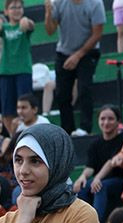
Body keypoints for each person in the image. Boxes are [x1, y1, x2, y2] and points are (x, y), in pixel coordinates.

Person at [44, 0, 105, 136]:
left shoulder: (95, 3)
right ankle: (67, 130)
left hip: (88, 51)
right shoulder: (59, 3)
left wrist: (78, 55)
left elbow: (97, 34)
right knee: (62, 94)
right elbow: (50, 31)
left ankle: (85, 128)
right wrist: (48, 12)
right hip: (64, 52)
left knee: (84, 88)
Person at [73, 106, 123, 223]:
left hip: (121, 180)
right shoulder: (96, 143)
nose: (106, 122)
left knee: (100, 186)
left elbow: (111, 162)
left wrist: (97, 178)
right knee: (82, 187)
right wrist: (82, 177)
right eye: (102, 119)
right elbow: (90, 167)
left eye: (110, 119)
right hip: (101, 179)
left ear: (118, 121)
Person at [0, 0, 36, 133]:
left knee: (25, 105)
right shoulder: (4, 27)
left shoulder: (24, 25)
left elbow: (30, 26)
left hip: (23, 70)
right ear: (6, 11)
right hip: (5, 71)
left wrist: (27, 21)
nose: (16, 10)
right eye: (12, 8)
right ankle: (13, 137)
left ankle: (28, 133)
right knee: (7, 110)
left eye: (19, 7)